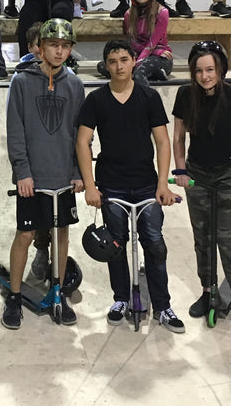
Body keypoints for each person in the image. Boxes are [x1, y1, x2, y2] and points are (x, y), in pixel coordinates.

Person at [77, 40, 185, 332]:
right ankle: (121, 299)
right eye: (112, 62)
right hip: (111, 186)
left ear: (134, 61)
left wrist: (162, 184)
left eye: (124, 59)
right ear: (106, 66)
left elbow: (162, 141)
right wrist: (90, 186)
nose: (119, 66)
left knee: (155, 244)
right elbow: (82, 142)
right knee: (114, 246)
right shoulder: (96, 100)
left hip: (146, 185)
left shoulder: (149, 97)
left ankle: (162, 306)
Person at [2, 18, 85, 330]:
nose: (59, 51)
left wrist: (78, 172)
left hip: (63, 177)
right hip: (32, 178)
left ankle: (58, 292)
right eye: (53, 45)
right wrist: (22, 171)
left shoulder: (75, 85)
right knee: (25, 234)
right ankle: (14, 296)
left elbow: (80, 134)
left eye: (65, 46)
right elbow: (16, 130)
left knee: (61, 234)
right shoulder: (22, 81)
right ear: (41, 47)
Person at [171, 40, 231, 327]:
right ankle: (207, 290)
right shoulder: (185, 95)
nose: (204, 76)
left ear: (220, 69)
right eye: (199, 71)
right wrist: (181, 170)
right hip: (197, 173)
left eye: (210, 69)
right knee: (202, 236)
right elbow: (178, 137)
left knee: (226, 236)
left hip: (228, 173)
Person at [116, 0, 173, 86]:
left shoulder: (162, 12)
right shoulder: (128, 14)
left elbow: (152, 43)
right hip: (140, 54)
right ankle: (155, 73)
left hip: (160, 57)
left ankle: (146, 97)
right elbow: (133, 42)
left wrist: (137, 63)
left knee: (138, 73)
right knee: (106, 66)